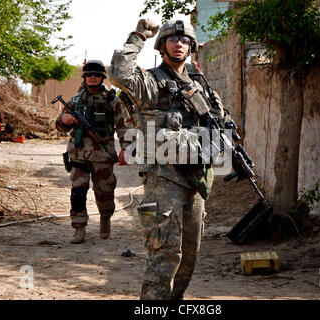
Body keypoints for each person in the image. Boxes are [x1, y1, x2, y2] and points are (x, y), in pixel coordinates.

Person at [108, 19, 228, 299]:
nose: (179, 44)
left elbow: (221, 121)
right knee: (165, 253)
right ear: (161, 46)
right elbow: (118, 74)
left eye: (185, 41)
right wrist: (138, 36)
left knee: (189, 255)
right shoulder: (150, 83)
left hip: (196, 179)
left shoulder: (200, 85)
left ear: (191, 47)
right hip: (164, 178)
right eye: (173, 40)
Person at [55, 60, 133, 244]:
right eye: (89, 75)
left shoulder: (112, 100)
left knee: (104, 191)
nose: (92, 78)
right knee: (77, 192)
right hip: (78, 153)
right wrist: (63, 119)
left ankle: (105, 218)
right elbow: (60, 127)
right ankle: (79, 228)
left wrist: (126, 149)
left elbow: (124, 126)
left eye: (96, 75)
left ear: (102, 78)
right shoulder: (75, 100)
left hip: (102, 154)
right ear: (84, 77)